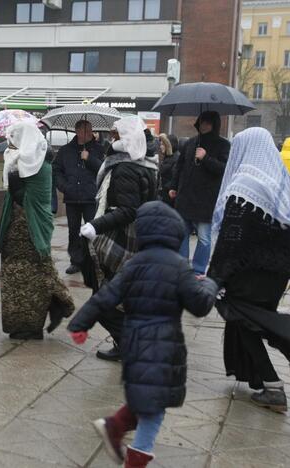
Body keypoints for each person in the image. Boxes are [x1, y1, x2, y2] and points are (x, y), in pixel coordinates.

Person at [69, 201, 218, 468]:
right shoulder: (180, 266)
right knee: (154, 410)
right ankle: (135, 458)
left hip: (134, 343)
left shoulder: (133, 264)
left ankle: (114, 426)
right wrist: (209, 283)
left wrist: (80, 324)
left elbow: (105, 296)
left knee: (147, 398)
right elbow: (199, 305)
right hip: (164, 346)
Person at [209, 127, 290, 413]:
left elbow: (231, 239)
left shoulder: (245, 186)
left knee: (245, 321)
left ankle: (273, 385)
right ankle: (269, 375)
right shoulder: (283, 184)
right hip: (276, 275)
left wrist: (215, 277)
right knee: (260, 321)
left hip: (247, 274)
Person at [80, 116, 158, 362]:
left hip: (125, 239)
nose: (110, 139)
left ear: (125, 138)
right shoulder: (147, 163)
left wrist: (95, 225)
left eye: (115, 135)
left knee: (103, 300)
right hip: (142, 237)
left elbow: (128, 210)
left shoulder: (124, 167)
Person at [0, 121, 75, 340]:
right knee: (21, 280)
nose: (10, 144)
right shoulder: (28, 159)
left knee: (30, 278)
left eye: (13, 138)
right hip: (19, 228)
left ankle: (42, 316)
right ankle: (24, 323)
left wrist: (12, 171)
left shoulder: (35, 163)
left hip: (30, 227)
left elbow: (23, 195)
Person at [168, 111, 230, 276]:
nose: (203, 126)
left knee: (204, 238)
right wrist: (173, 186)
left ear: (214, 124)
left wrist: (206, 157)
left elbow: (223, 169)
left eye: (207, 123)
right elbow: (179, 167)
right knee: (182, 234)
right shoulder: (190, 143)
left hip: (206, 200)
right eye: (201, 122)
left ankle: (198, 270)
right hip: (185, 197)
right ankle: (182, 268)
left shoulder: (223, 145)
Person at [53, 120, 104, 275]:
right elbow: (56, 171)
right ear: (78, 131)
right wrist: (65, 187)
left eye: (90, 129)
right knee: (73, 231)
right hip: (72, 198)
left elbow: (104, 169)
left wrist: (89, 159)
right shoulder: (65, 150)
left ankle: (92, 261)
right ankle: (75, 261)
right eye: (86, 130)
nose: (90, 133)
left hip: (90, 197)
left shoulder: (99, 149)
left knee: (92, 230)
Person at [157, 133, 176, 206]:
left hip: (169, 199)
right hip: (164, 197)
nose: (160, 146)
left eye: (162, 144)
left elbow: (174, 180)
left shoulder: (175, 159)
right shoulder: (166, 158)